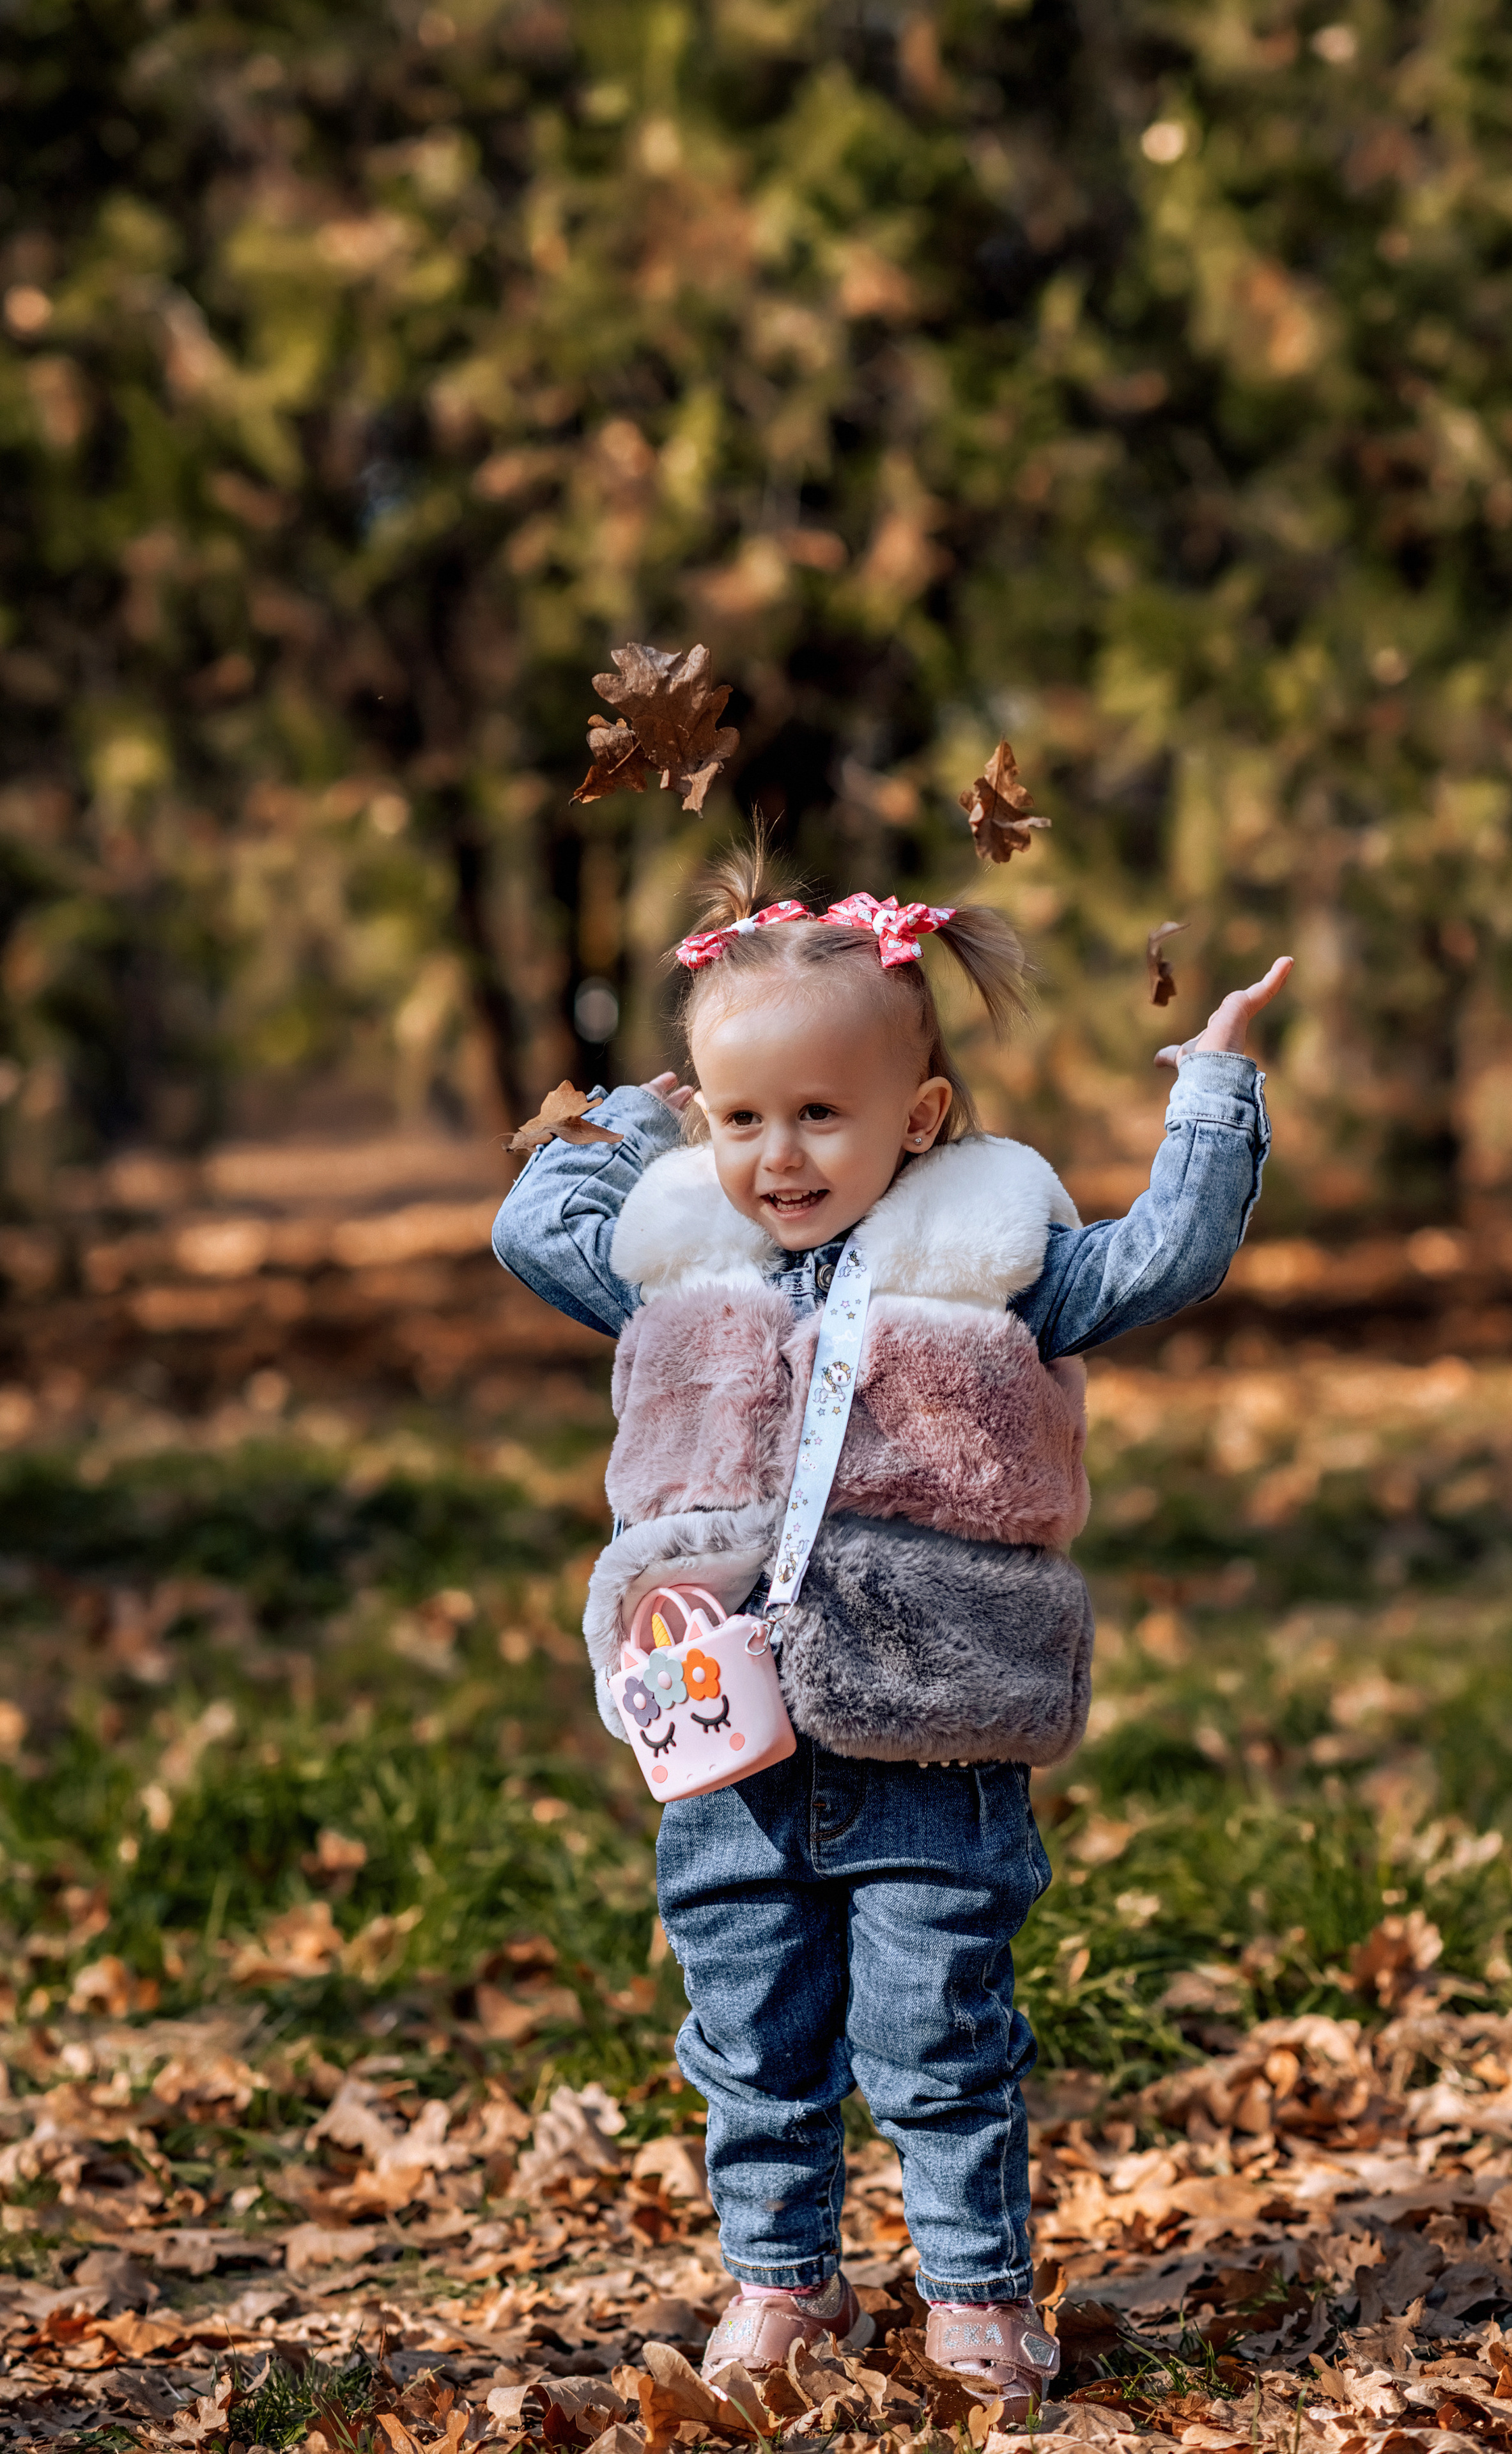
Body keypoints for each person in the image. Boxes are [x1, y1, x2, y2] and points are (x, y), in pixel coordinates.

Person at [493, 845, 1290, 2417]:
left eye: (817, 1114)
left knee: (937, 2037)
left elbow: (1167, 1256)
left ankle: (974, 2293)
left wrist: (1212, 1089)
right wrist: (633, 1123)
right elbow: (532, 1229)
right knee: (749, 2034)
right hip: (724, 1740)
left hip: (932, 1723)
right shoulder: (678, 1262)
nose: (775, 1155)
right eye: (739, 1119)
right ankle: (782, 2281)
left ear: (916, 1117)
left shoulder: (993, 1265)